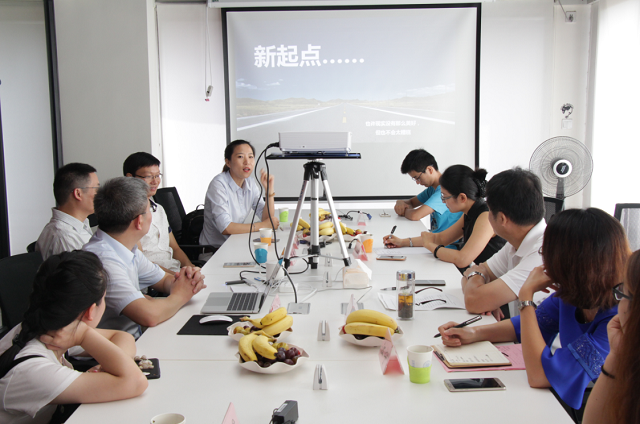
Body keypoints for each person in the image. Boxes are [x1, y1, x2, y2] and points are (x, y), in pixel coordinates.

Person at [438, 208, 629, 417]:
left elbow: (540, 376)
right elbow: (524, 326)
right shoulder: (572, 294)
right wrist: (474, 333)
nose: (544, 259)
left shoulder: (619, 318)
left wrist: (526, 297)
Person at [0, 251, 148, 424]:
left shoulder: (49, 326)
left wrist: (108, 365)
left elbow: (122, 336)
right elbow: (136, 382)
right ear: (90, 311)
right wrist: (85, 335)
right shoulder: (34, 369)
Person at [84, 177, 206, 339]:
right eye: (149, 210)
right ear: (139, 221)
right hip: (120, 346)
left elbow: (164, 280)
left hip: (136, 338)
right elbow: (149, 315)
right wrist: (181, 295)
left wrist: (188, 280)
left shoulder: (127, 248)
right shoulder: (103, 260)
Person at [460, 167, 546, 318]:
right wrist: (480, 285)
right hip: (516, 328)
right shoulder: (516, 241)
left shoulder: (543, 253)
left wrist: (480, 290)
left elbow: (473, 301)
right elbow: (475, 273)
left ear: (501, 219)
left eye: (489, 210)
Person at [384, 165, 505, 270]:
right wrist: (402, 242)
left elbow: (463, 259)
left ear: (462, 198)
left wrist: (430, 246)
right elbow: (441, 238)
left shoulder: (486, 217)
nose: (443, 201)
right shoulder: (470, 212)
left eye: (444, 196)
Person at [584, 250, 640, 424]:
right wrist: (617, 353)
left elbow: (539, 376)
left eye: (622, 293)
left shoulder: (607, 314)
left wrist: (527, 297)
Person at [200, 140, 279, 250]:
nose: (247, 162)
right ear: (228, 162)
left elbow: (266, 218)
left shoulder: (250, 183)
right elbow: (226, 227)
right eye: (240, 157)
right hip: (214, 251)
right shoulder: (218, 185)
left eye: (250, 157)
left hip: (235, 245)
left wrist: (269, 191)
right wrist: (262, 226)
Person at [123, 152, 194, 273]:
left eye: (157, 175)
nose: (155, 181)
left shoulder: (159, 209)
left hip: (173, 271)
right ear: (130, 178)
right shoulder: (126, 213)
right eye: (149, 176)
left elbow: (175, 248)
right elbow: (141, 263)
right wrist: (176, 277)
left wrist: (191, 268)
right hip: (153, 277)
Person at [35, 163, 99, 260]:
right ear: (78, 193)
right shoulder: (65, 237)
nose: (100, 194)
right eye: (96, 189)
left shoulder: (80, 225)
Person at [393, 149, 462, 232]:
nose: (417, 182)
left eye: (418, 178)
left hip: (446, 239)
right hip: (435, 236)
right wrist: (400, 202)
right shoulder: (432, 189)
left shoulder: (445, 190)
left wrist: (403, 210)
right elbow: (411, 203)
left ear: (430, 170)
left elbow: (415, 215)